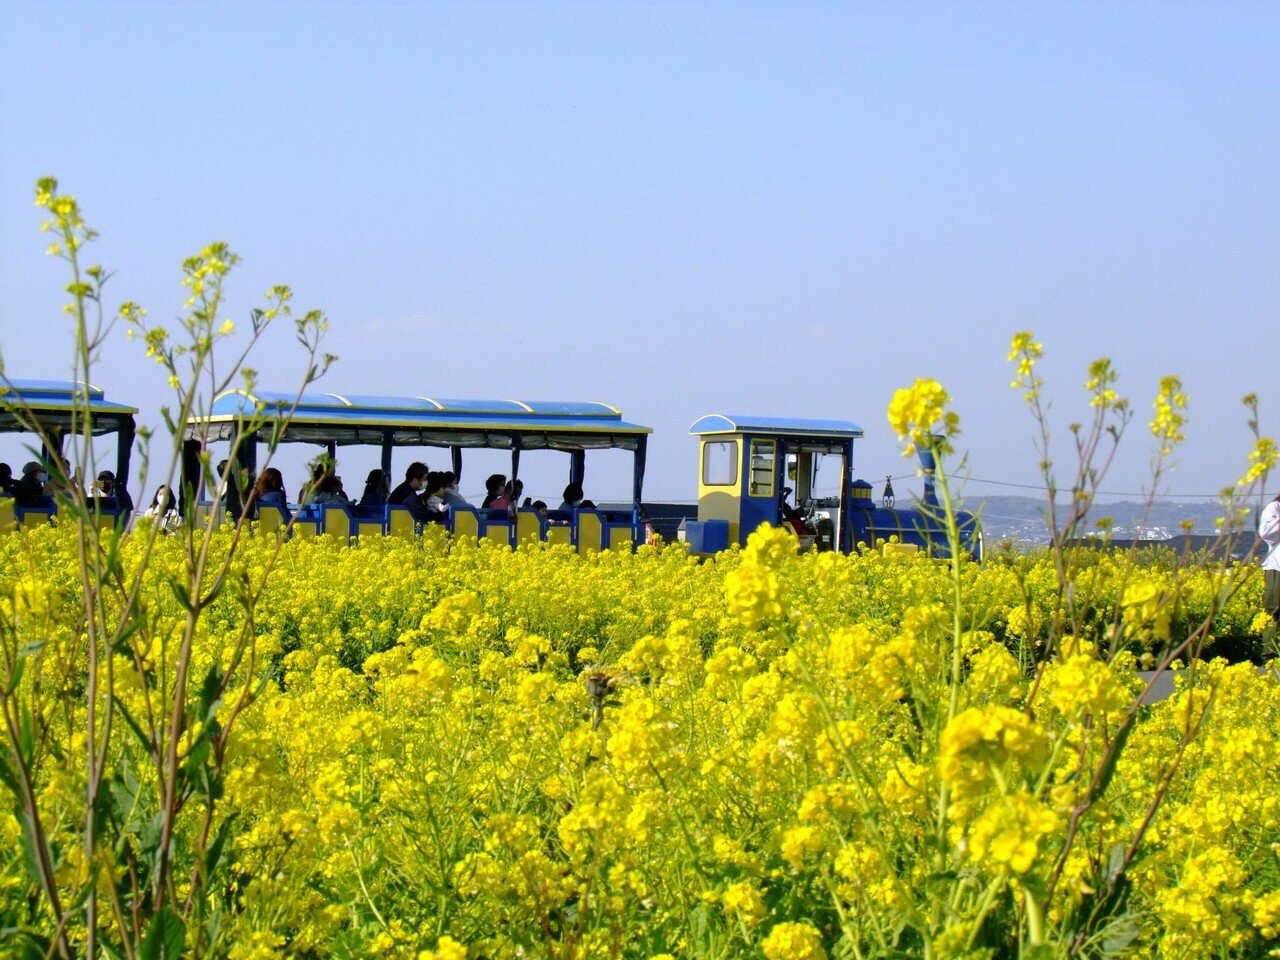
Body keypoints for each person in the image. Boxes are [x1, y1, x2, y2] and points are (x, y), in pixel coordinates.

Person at [1260, 493, 1280, 633]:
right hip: (1277, 568)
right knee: (1274, 610)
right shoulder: (1275, 507)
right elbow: (1266, 535)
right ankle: (1270, 654)